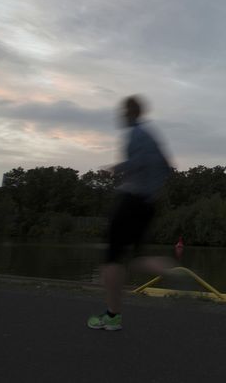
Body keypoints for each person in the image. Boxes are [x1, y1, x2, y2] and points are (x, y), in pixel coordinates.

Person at [87, 95, 175, 331]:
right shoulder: (152, 135)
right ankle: (173, 272)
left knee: (112, 259)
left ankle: (113, 316)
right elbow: (167, 167)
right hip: (148, 204)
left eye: (121, 113)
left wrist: (114, 169)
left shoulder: (136, 135)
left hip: (131, 200)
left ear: (127, 113)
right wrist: (152, 188)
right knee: (136, 258)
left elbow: (136, 163)